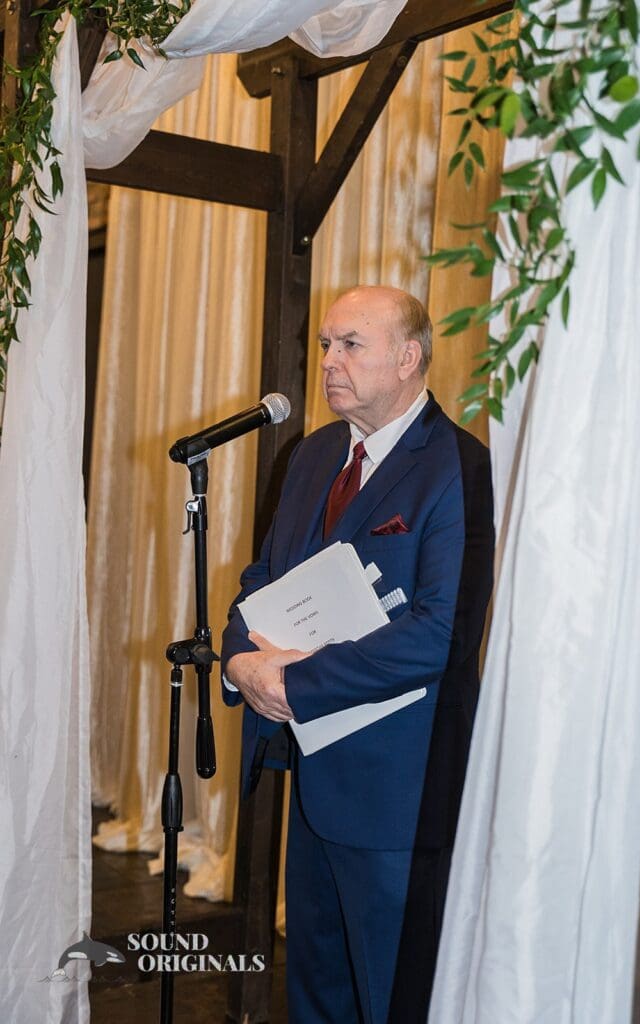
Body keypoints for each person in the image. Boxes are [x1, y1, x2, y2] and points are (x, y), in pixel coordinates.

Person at [221, 285, 494, 1024]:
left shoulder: (458, 468)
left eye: (350, 345)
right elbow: (260, 580)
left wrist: (296, 682)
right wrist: (240, 662)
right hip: (311, 774)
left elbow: (442, 632)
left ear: (408, 358)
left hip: (398, 791)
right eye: (325, 346)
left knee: (391, 997)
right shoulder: (312, 455)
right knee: (315, 990)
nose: (329, 362)